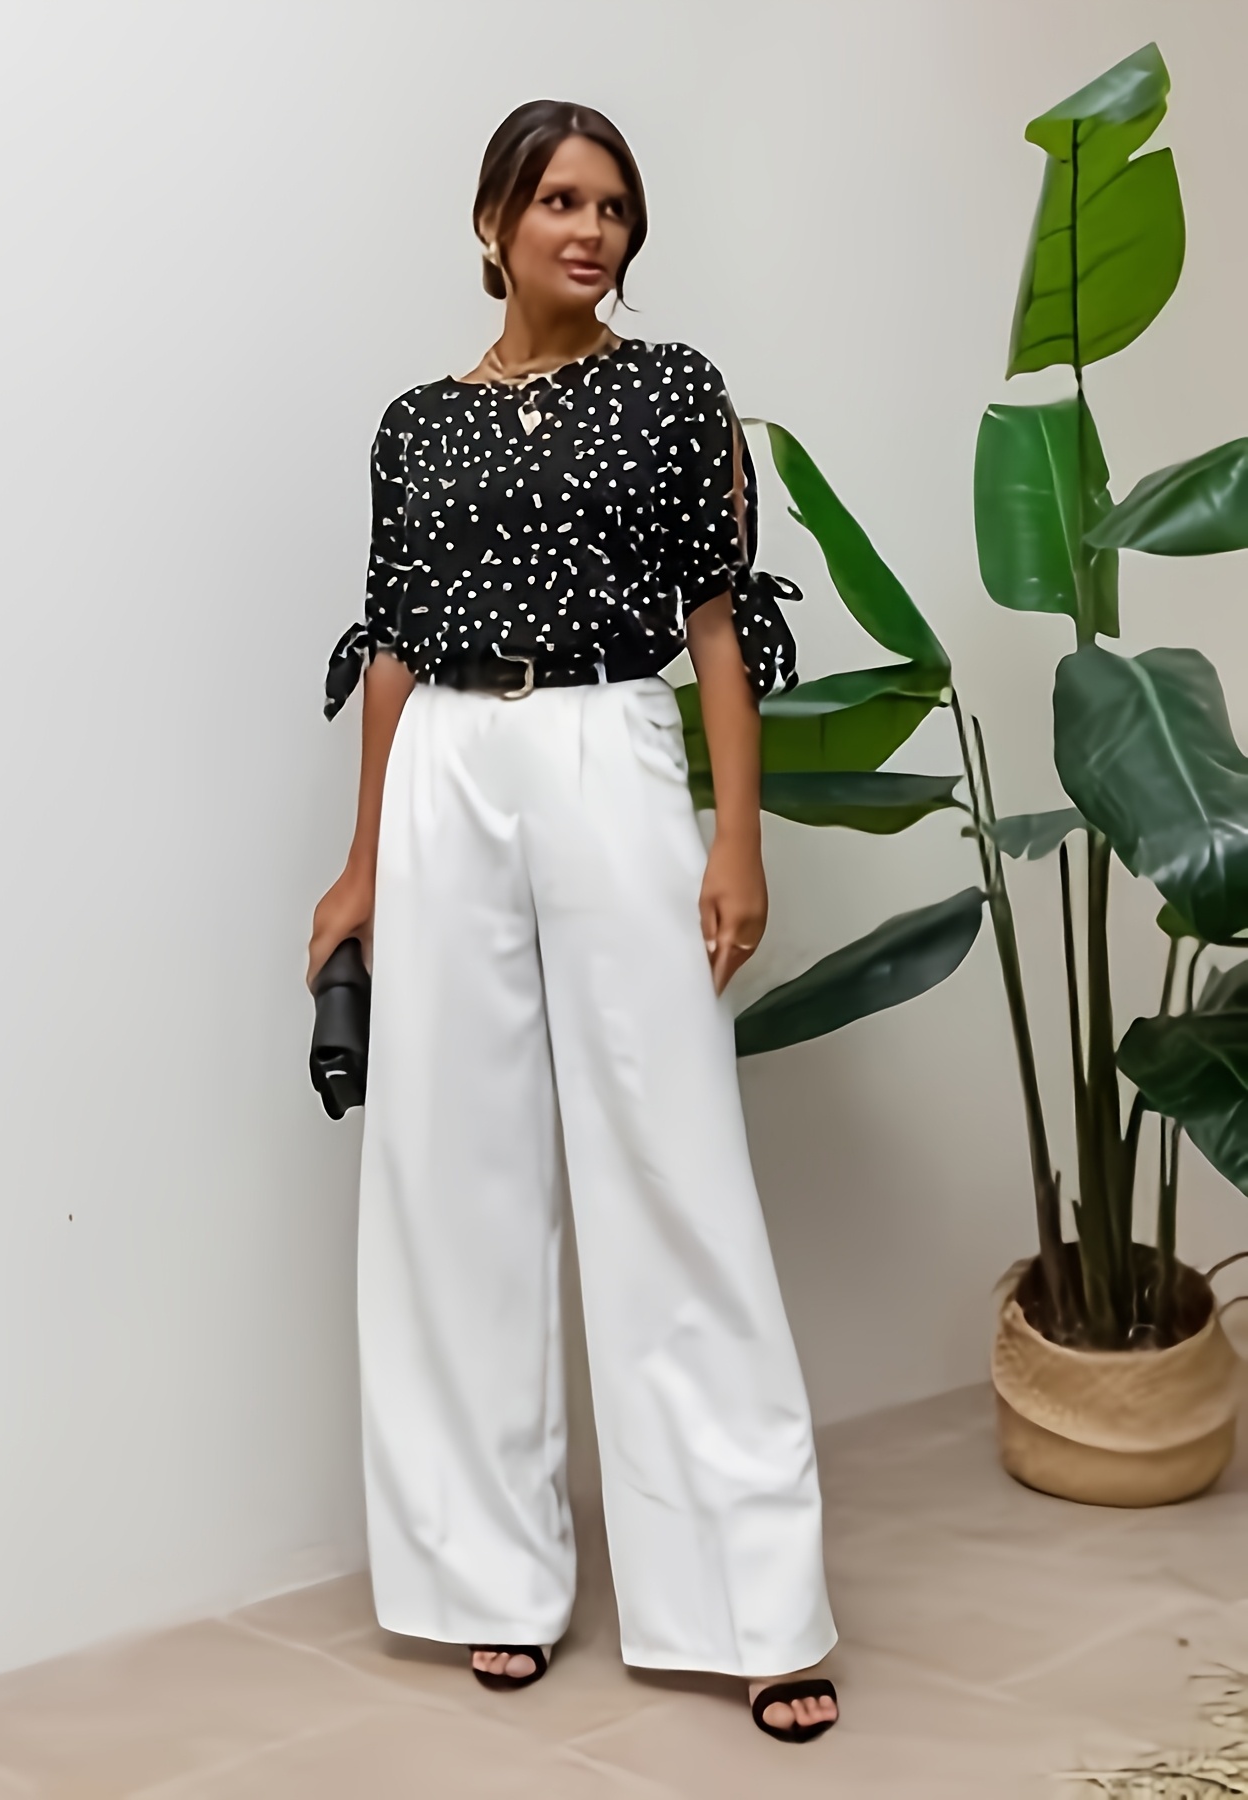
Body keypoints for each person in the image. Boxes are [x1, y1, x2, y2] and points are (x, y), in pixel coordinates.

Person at [308, 99, 839, 1745]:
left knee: (671, 1160)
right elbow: (393, 650)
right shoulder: (414, 425)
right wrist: (359, 867)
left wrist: (733, 835)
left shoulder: (672, 389)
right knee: (450, 1175)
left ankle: (752, 1604)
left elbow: (718, 627)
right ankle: (487, 1576)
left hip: (612, 742)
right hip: (445, 767)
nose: (589, 230)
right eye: (556, 200)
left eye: (611, 206)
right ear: (493, 223)